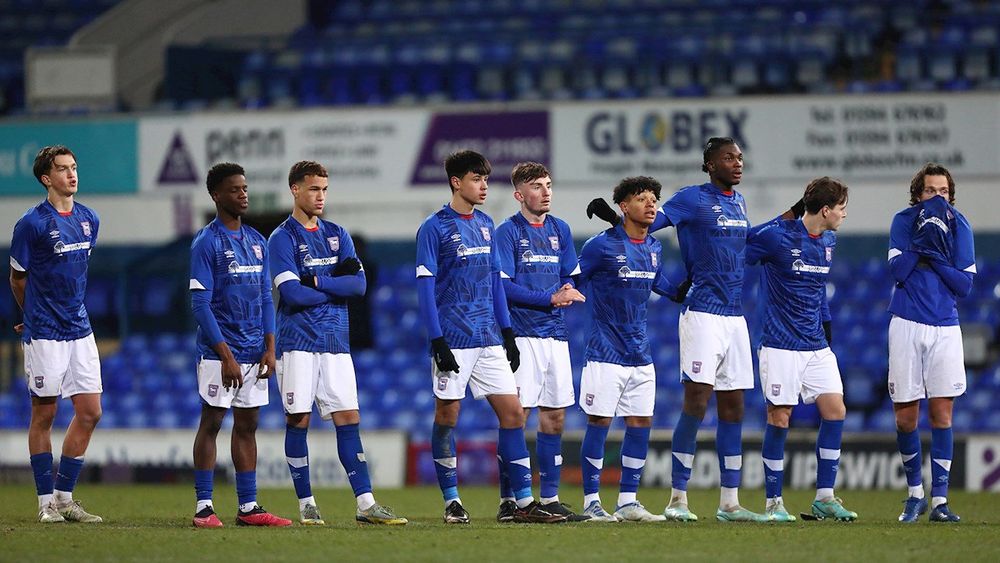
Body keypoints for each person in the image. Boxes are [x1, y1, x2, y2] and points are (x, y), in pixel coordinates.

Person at [587, 137, 765, 522]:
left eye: (739, 157)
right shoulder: (690, 198)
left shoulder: (739, 202)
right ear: (710, 164)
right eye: (728, 158)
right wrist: (616, 220)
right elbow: (648, 226)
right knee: (697, 402)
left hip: (736, 317)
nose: (737, 163)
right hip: (702, 312)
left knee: (734, 407)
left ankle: (730, 502)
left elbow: (748, 245)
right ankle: (678, 498)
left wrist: (791, 219)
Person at [416, 150, 564, 524]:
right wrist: (437, 340)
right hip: (454, 338)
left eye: (485, 179)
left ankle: (523, 503)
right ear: (456, 182)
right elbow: (425, 287)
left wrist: (508, 332)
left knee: (513, 414)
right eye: (476, 179)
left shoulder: (485, 223)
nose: (484, 186)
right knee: (447, 415)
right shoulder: (433, 227)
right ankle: (452, 501)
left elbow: (497, 283)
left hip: (489, 339)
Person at [268, 161, 406, 526]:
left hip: (335, 343)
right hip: (297, 343)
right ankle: (306, 504)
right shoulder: (281, 238)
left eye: (325, 190)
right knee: (298, 420)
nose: (321, 196)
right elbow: (291, 294)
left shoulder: (338, 234)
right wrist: (334, 286)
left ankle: (366, 504)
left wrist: (316, 281)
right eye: (314, 189)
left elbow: (358, 287)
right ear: (295, 189)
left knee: (348, 418)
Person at [746, 177, 858, 522]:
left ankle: (825, 498)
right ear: (825, 210)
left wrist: (827, 324)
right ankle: (774, 502)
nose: (844, 214)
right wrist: (787, 214)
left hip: (816, 344)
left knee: (835, 410)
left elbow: (818, 287)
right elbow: (745, 243)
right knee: (780, 417)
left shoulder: (828, 240)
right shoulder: (778, 236)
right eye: (841, 208)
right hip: (780, 345)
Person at [189, 162, 290, 528]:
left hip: (254, 352)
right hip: (220, 355)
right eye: (235, 190)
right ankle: (204, 506)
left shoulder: (257, 242)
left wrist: (270, 348)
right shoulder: (206, 243)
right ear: (216, 195)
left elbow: (266, 297)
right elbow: (200, 304)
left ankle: (248, 507)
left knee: (248, 426)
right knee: (212, 421)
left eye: (245, 188)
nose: (243, 195)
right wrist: (225, 355)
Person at [10, 145, 103, 524]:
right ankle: (45, 502)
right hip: (46, 333)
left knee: (91, 411)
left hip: (80, 328)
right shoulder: (31, 224)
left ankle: (65, 499)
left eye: (74, 167)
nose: (72, 174)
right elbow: (18, 278)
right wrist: (31, 315)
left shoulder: (89, 219)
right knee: (44, 414)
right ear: (47, 178)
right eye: (63, 169)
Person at [577, 176, 676, 522]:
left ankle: (628, 501)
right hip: (605, 352)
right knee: (600, 422)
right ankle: (591, 501)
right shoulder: (599, 246)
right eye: (641, 198)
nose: (651, 204)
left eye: (654, 199)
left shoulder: (654, 247)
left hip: (640, 355)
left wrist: (685, 291)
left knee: (640, 422)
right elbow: (573, 279)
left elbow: (659, 282)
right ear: (623, 206)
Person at [494, 162, 588, 522]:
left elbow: (571, 277)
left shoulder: (561, 229)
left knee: (555, 416)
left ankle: (549, 499)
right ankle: (511, 500)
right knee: (517, 416)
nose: (546, 191)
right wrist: (550, 298)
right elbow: (503, 286)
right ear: (519, 194)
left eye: (548, 184)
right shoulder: (507, 232)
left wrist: (567, 289)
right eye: (537, 186)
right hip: (522, 335)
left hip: (556, 336)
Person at [888, 163, 975, 523]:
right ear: (918, 194)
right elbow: (897, 271)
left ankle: (940, 501)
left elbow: (964, 286)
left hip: (944, 327)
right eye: (930, 190)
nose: (937, 196)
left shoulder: (960, 225)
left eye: (943, 191)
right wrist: (920, 243)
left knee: (941, 414)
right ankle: (915, 495)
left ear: (950, 195)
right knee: (906, 418)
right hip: (906, 322)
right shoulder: (904, 221)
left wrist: (934, 256)